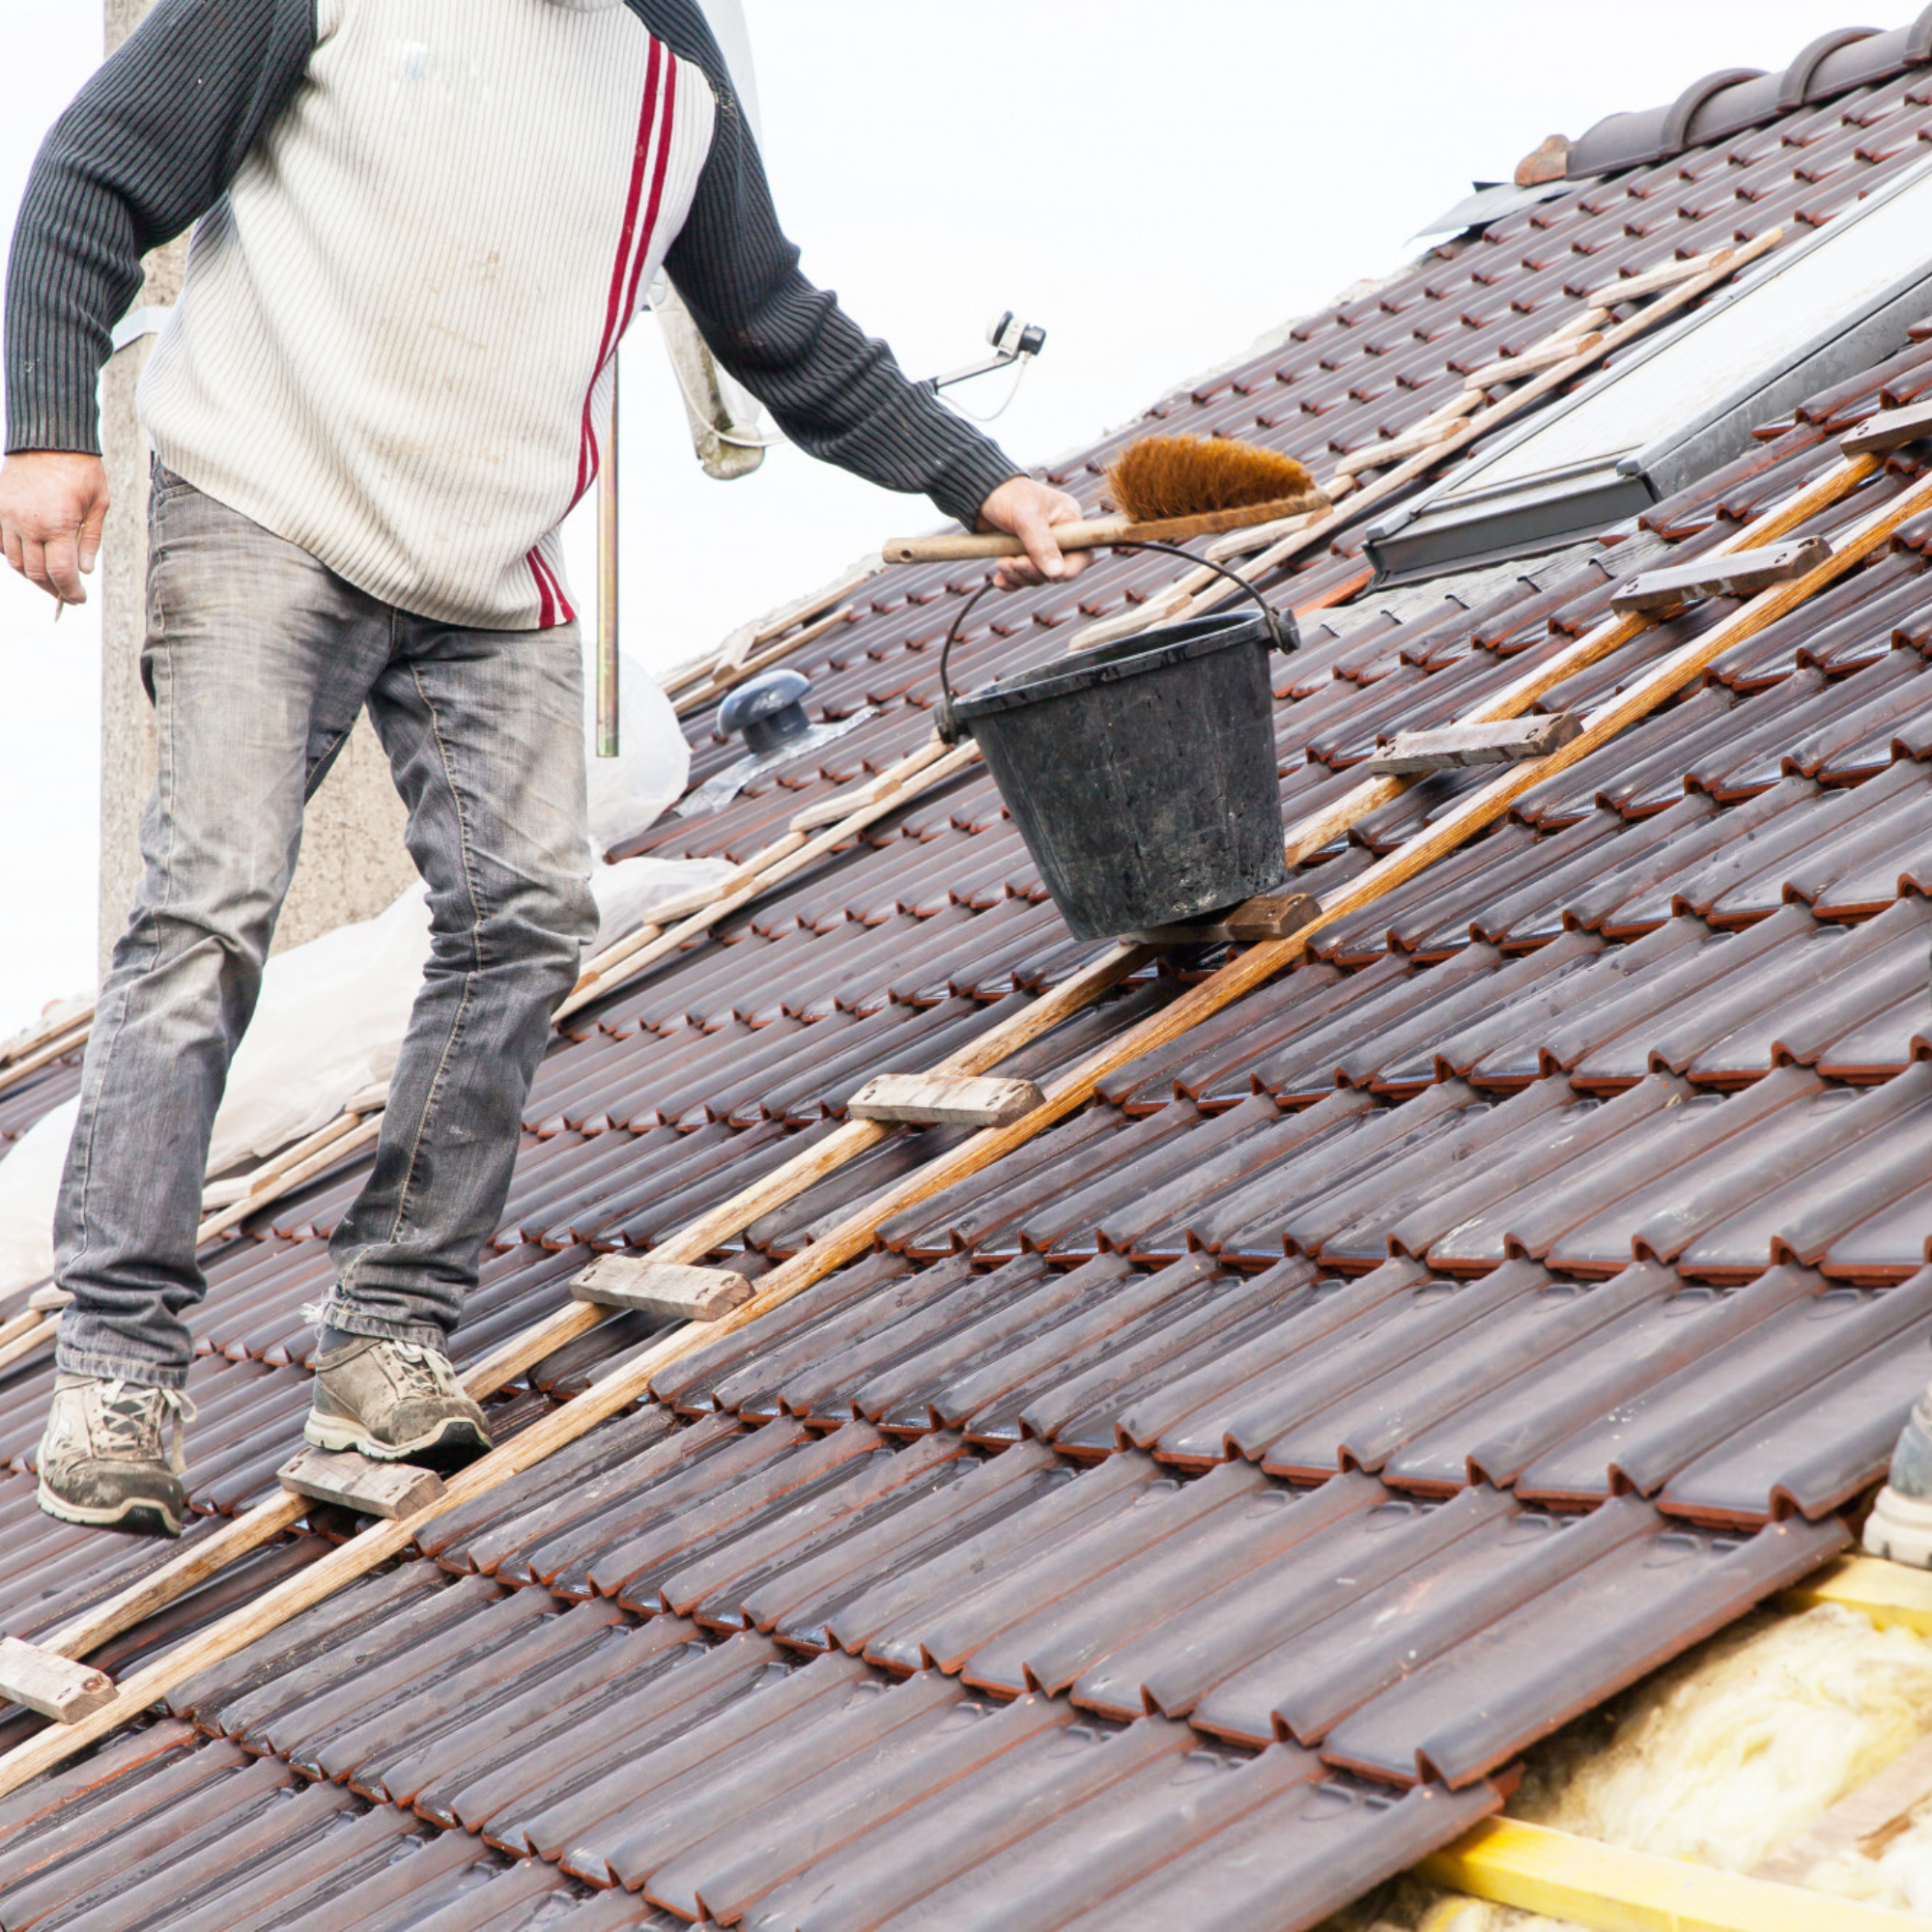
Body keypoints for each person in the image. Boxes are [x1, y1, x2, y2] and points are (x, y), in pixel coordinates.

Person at [1, 0, 1086, 1536]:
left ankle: (388, 1329)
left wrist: (979, 477)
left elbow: (772, 318)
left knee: (525, 909)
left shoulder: (670, 68)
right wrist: (43, 422)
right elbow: (95, 173)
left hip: (485, 558)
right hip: (265, 499)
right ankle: (118, 1363)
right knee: (212, 906)